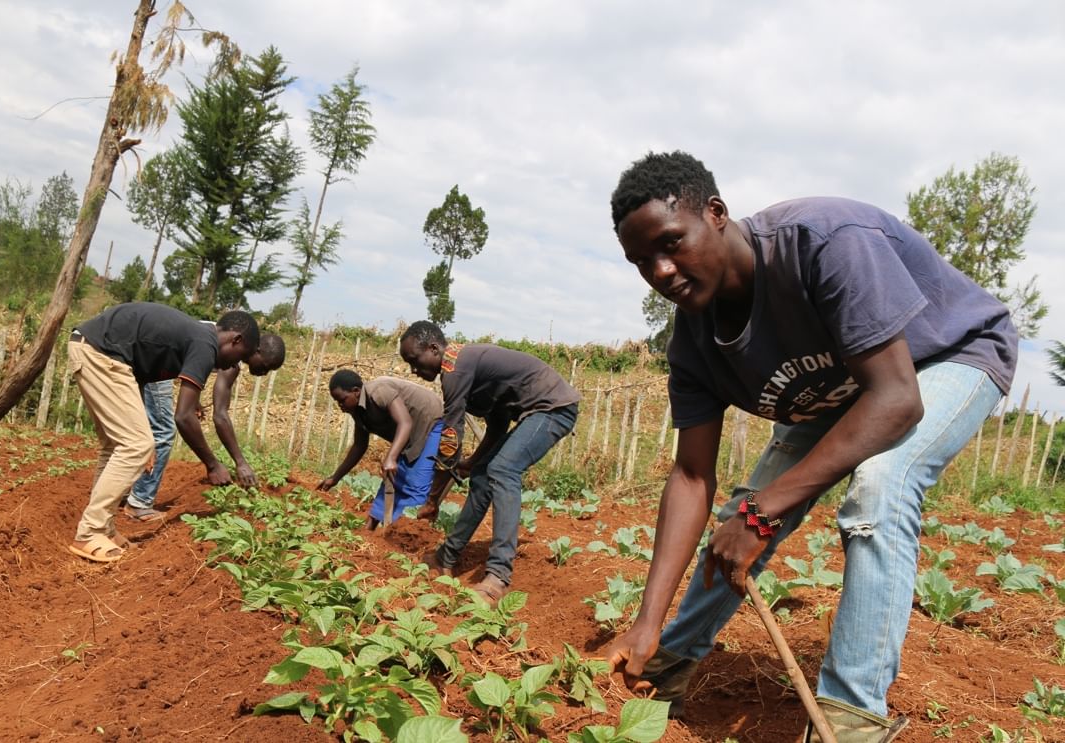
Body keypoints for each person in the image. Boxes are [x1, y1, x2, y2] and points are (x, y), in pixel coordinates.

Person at [602, 151, 1018, 741]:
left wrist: (763, 510)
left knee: (879, 489)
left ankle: (851, 717)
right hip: (846, 385)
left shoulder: (823, 242)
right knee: (741, 515)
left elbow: (897, 399)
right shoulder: (693, 342)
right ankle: (667, 657)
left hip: (941, 355)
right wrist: (647, 621)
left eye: (671, 243)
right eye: (642, 261)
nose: (662, 271)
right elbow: (692, 476)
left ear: (716, 214)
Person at [399, 320, 581, 605]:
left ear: (434, 348)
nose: (413, 369)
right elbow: (497, 425)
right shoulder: (469, 370)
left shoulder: (454, 369)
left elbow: (450, 437)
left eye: (414, 360)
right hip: (535, 412)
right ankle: (446, 557)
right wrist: (473, 462)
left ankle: (498, 576)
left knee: (503, 469)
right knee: (484, 476)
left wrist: (433, 498)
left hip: (553, 408)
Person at [66, 302, 261, 563]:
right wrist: (213, 465)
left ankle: (104, 527)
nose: (233, 364)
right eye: (239, 356)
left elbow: (141, 374)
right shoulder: (206, 344)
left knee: (118, 445)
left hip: (96, 349)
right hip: (101, 353)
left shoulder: (197, 338)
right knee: (135, 445)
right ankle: (90, 531)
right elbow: (183, 416)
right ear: (236, 340)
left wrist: (142, 434)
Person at [122, 333, 286, 521]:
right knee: (163, 431)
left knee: (139, 432)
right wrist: (240, 463)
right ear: (258, 350)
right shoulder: (227, 347)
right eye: (266, 366)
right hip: (155, 359)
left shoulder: (233, 362)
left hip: (154, 358)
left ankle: (122, 491)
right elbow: (219, 417)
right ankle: (139, 502)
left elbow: (217, 408)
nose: (263, 374)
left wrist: (193, 400)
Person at [316, 369, 444, 529]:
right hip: (409, 433)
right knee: (392, 476)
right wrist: (335, 478)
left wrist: (391, 457)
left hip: (430, 420)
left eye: (342, 400)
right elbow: (359, 446)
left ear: (356, 392)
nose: (340, 406)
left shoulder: (379, 391)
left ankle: (410, 532)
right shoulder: (358, 411)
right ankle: (369, 530)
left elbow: (405, 423)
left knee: (416, 481)